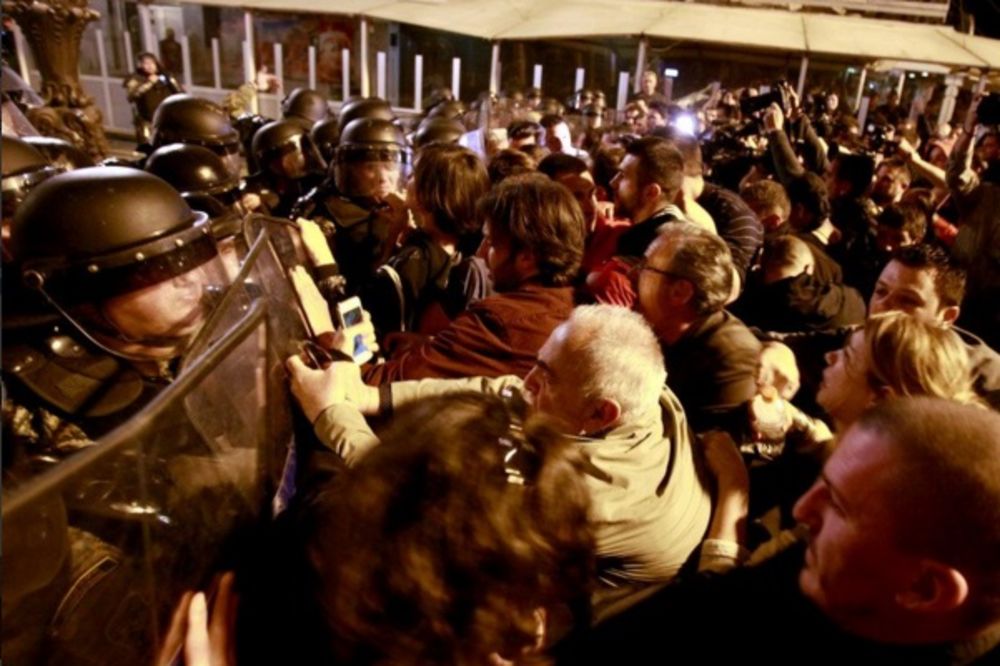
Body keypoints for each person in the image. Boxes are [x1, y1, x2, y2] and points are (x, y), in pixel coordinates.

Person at [287, 304, 711, 620]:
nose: (528, 381)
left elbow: (425, 524)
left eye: (545, 378)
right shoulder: (647, 393)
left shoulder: (586, 499)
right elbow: (507, 391)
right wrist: (369, 397)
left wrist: (331, 415)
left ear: (602, 414)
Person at [557, 397, 1000, 664]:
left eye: (839, 506)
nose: (805, 511)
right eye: (822, 485)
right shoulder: (834, 571)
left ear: (924, 589)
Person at [361, 173, 585, 384]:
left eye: (492, 244)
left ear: (527, 257)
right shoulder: (574, 307)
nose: (481, 254)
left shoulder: (497, 321)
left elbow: (384, 380)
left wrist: (335, 350)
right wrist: (433, 346)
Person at [636, 222, 761, 436]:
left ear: (680, 292)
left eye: (646, 267)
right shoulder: (657, 329)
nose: (634, 273)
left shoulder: (731, 357)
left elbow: (713, 451)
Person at [363, 143, 491, 337]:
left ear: (428, 194)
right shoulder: (472, 247)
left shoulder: (413, 262)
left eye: (415, 174)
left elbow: (371, 315)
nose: (408, 179)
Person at [612, 137, 688, 258]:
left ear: (651, 192)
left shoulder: (653, 245)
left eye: (623, 175)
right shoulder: (675, 229)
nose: (613, 182)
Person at [124, 52, 183, 145]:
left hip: (166, 118)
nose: (149, 66)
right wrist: (149, 83)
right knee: (148, 145)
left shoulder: (164, 76)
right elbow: (132, 96)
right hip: (147, 120)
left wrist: (170, 80)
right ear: (140, 65)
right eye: (146, 63)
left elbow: (179, 92)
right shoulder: (136, 78)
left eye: (151, 63)